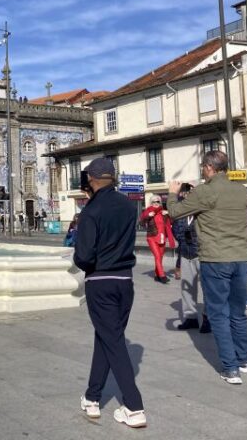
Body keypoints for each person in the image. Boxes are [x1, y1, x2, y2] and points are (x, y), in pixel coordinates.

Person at [168, 150, 247, 385]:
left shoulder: (205, 191)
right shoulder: (241, 190)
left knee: (218, 313)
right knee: (238, 312)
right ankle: (244, 360)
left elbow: (175, 212)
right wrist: (202, 189)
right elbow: (221, 203)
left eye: (203, 167)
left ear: (208, 167)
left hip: (216, 258)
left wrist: (174, 193)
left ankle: (230, 368)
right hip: (240, 257)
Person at [74, 158, 146, 428]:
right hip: (124, 281)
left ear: (91, 179)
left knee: (113, 341)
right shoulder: (129, 206)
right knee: (107, 337)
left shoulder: (91, 211)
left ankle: (134, 405)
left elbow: (83, 255)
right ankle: (92, 398)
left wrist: (86, 262)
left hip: (100, 281)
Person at [171, 184, 210, 333]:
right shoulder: (181, 212)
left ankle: (208, 318)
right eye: (184, 193)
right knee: (187, 287)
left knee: (207, 288)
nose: (187, 195)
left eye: (190, 193)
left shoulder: (202, 209)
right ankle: (190, 317)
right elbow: (176, 231)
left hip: (202, 253)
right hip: (186, 252)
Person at [140, 195, 176, 283]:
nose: (156, 203)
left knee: (160, 257)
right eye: (154, 202)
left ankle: (157, 275)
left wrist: (168, 214)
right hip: (151, 237)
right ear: (151, 203)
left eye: (158, 202)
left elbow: (172, 222)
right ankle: (162, 275)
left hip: (162, 237)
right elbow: (141, 223)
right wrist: (148, 216)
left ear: (160, 203)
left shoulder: (163, 213)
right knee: (157, 256)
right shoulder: (147, 211)